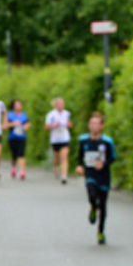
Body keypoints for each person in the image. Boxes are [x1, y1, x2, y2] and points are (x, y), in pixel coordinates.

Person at [75, 111, 118, 244]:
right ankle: (93, 207)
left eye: (96, 124)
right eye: (91, 123)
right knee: (92, 195)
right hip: (90, 173)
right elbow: (80, 155)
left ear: (101, 126)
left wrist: (103, 163)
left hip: (103, 175)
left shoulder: (107, 142)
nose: (93, 126)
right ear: (88, 125)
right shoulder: (83, 140)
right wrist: (79, 166)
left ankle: (100, 231)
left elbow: (113, 157)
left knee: (104, 205)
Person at [45, 97, 72, 184]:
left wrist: (68, 124)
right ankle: (56, 166)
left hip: (65, 137)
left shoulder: (67, 113)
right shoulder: (51, 115)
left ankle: (64, 176)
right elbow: (47, 127)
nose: (60, 106)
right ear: (55, 105)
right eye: (59, 104)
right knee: (57, 157)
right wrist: (54, 126)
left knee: (64, 156)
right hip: (55, 139)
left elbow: (70, 124)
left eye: (62, 104)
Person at [5, 99, 30, 180]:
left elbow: (28, 123)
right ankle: (13, 167)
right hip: (12, 137)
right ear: (13, 106)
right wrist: (13, 124)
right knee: (14, 154)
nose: (18, 106)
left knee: (21, 154)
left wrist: (24, 128)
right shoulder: (9, 115)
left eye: (19, 104)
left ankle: (22, 171)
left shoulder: (24, 115)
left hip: (22, 137)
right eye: (17, 104)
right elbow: (5, 126)